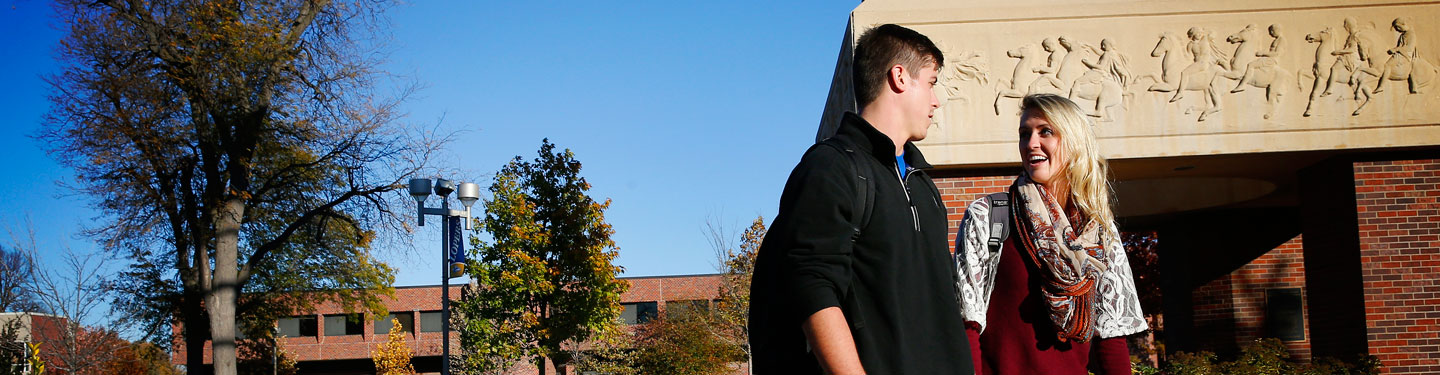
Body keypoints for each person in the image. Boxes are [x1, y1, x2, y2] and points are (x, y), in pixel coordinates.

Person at [749, 24, 974, 375]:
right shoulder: (831, 168)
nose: (936, 100)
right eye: (931, 82)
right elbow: (812, 286)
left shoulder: (922, 183)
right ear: (899, 77)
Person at [954, 94, 1147, 375]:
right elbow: (966, 325)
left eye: (1045, 131)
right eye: (1024, 133)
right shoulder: (990, 215)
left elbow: (1110, 337)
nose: (1031, 143)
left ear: (1074, 142)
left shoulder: (1099, 231)